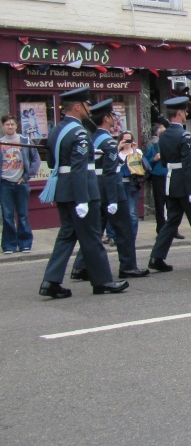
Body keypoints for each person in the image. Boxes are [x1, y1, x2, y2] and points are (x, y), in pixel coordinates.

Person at [38, 87, 129, 299]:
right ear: (78, 107)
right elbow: (79, 167)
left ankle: (50, 281)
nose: (89, 109)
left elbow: (53, 162)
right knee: (92, 237)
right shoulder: (79, 132)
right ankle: (103, 281)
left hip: (64, 189)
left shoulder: (56, 130)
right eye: (87, 105)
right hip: (82, 192)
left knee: (67, 236)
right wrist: (82, 199)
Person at [68, 99, 149, 282]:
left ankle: (80, 266)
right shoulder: (108, 142)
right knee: (124, 230)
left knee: (95, 230)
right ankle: (128, 266)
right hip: (110, 189)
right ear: (106, 118)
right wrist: (113, 199)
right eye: (112, 116)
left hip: (94, 187)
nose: (114, 119)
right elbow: (110, 173)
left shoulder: (91, 137)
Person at [147, 97, 191, 274]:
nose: (186, 115)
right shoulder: (184, 135)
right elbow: (187, 164)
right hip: (185, 183)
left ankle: (156, 256)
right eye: (185, 112)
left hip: (171, 181)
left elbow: (165, 161)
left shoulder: (164, 134)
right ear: (180, 113)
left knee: (171, 222)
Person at [1, 114, 40, 254]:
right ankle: (9, 245)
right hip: (5, 184)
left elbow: (36, 160)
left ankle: (25, 244)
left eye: (12, 124)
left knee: (23, 214)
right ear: (2, 126)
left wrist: (26, 177)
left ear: (16, 126)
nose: (10, 127)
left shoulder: (25, 140)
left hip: (21, 184)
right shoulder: (1, 142)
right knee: (7, 215)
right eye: (7, 124)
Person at [117, 131, 144, 239]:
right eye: (125, 140)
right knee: (121, 211)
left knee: (132, 212)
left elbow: (139, 164)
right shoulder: (118, 152)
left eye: (130, 140)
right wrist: (119, 147)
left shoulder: (137, 151)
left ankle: (132, 236)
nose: (127, 142)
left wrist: (133, 149)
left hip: (133, 184)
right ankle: (122, 235)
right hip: (121, 183)